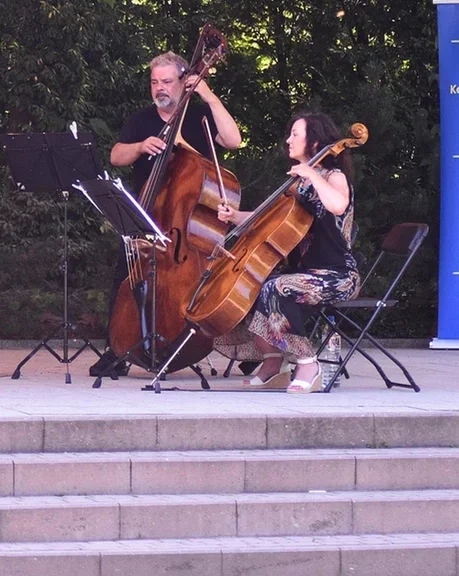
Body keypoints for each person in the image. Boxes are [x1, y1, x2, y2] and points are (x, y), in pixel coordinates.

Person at [90, 50, 242, 377]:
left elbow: (233, 140)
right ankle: (115, 349)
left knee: (204, 280)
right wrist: (141, 146)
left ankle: (213, 346)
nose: (160, 88)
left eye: (168, 82)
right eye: (155, 82)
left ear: (183, 82)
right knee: (126, 275)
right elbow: (117, 155)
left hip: (184, 225)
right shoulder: (142, 120)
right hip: (147, 215)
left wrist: (209, 95)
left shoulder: (199, 116)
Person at [210, 112, 360, 394]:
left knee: (277, 288)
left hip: (337, 276)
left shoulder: (333, 177)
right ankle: (272, 363)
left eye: (295, 134)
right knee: (254, 286)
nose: (287, 140)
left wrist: (313, 174)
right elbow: (267, 219)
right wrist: (234, 217)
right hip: (302, 273)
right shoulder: (297, 182)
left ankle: (307, 363)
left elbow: (338, 205)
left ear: (315, 143)